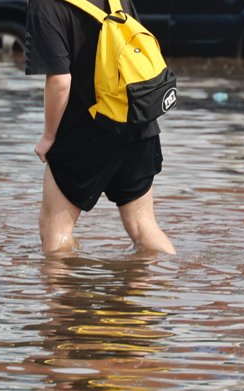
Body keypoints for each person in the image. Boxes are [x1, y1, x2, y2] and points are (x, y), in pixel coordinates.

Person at [25, 0, 175, 255]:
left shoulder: (46, 5)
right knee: (144, 227)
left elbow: (60, 81)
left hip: (85, 134)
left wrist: (48, 137)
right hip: (138, 123)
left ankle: (62, 295)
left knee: (55, 234)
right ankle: (170, 284)